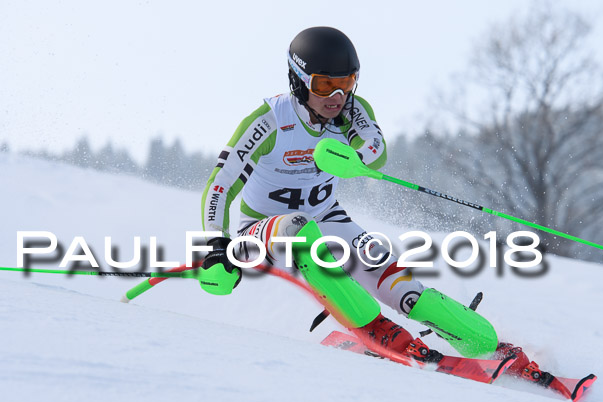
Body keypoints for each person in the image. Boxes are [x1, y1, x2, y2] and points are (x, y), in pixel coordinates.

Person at [199, 26, 543, 381]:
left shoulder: (351, 110)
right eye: (322, 85)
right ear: (298, 81)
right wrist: (216, 245)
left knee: (394, 279)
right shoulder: (269, 122)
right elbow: (219, 187)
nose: (336, 96)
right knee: (296, 230)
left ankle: (486, 343)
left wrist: (355, 157)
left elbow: (375, 150)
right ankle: (376, 329)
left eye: (347, 82)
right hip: (263, 231)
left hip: (326, 217)